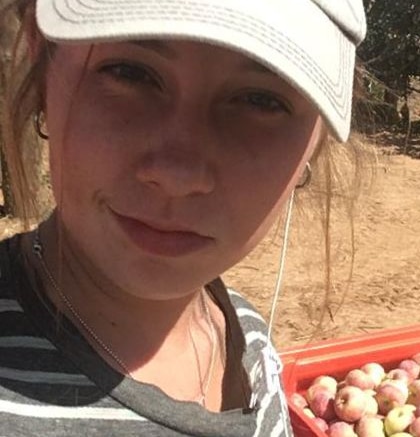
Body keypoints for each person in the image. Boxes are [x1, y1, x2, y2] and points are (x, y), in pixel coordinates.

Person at [0, 0, 367, 435]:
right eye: (129, 72)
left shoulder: (247, 340)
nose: (178, 175)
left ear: (317, 139)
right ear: (43, 63)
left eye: (259, 99)